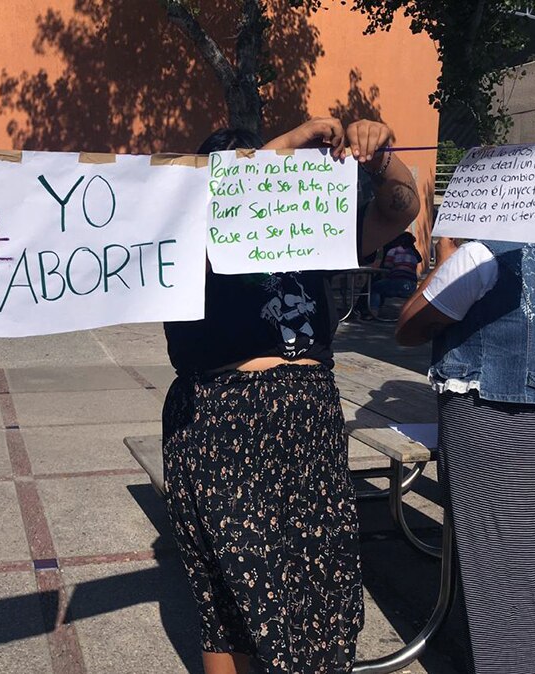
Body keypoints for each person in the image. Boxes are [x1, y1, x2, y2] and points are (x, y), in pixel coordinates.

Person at [162, 117, 420, 674]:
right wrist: (279, 149)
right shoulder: (186, 236)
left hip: (306, 416)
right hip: (221, 418)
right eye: (253, 164)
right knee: (227, 596)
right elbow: (199, 220)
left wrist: (380, 160)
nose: (271, 170)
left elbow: (399, 208)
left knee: (321, 579)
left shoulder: (307, 227)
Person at [394, 223, 535, 674]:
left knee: (494, 553)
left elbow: (409, 327)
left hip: (480, 420)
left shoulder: (479, 257)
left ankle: (513, 663)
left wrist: (445, 260)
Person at [364, 231, 423, 317]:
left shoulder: (393, 251)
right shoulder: (413, 253)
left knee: (375, 287)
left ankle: (373, 312)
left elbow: (387, 268)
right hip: (412, 285)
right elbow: (419, 259)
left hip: (397, 282)